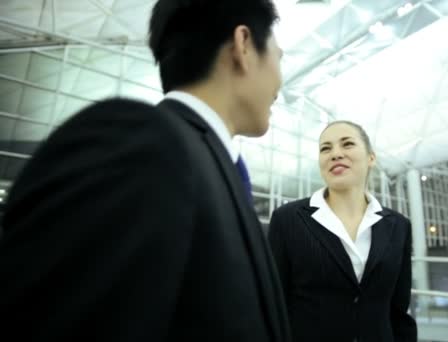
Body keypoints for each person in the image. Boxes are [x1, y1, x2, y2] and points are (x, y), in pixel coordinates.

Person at [0, 0, 290, 341]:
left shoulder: (213, 166)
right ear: (243, 45)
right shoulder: (140, 143)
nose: (280, 80)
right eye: (279, 56)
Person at [268, 121, 417, 342]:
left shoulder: (398, 225)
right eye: (325, 148)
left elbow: (398, 310)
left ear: (371, 158)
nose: (335, 154)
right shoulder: (288, 219)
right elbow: (272, 302)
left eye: (347, 144)